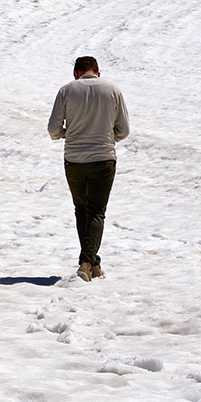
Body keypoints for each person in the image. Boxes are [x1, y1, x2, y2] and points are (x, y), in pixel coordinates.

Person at [47, 55, 131, 281]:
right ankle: (87, 262)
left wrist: (68, 133)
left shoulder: (66, 90)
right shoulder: (112, 90)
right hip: (103, 158)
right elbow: (123, 130)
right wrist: (103, 135)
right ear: (98, 72)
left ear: (76, 73)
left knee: (81, 209)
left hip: (74, 160)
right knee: (96, 211)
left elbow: (53, 130)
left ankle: (92, 263)